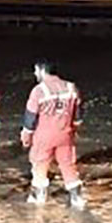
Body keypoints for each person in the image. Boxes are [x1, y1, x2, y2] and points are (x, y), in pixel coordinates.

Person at [21, 60, 85, 210]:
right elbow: (78, 114)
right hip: (65, 134)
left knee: (40, 163)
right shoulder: (71, 87)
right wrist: (74, 130)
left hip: (44, 135)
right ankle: (76, 197)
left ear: (42, 71)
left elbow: (30, 118)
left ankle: (39, 196)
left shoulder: (39, 90)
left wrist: (26, 136)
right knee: (67, 164)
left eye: (36, 71)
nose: (35, 74)